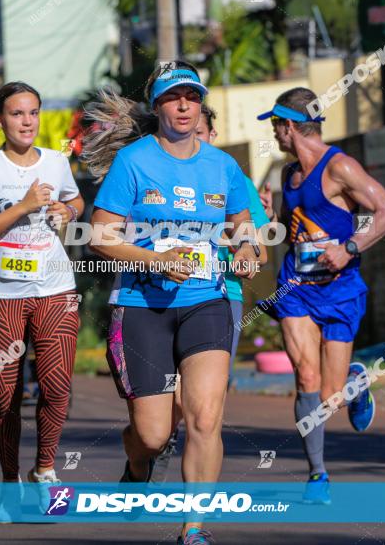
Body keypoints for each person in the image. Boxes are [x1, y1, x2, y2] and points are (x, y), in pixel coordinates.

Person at [85, 61, 263, 545]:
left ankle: (194, 528)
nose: (183, 105)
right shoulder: (134, 162)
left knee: (205, 416)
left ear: (200, 104)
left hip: (206, 300)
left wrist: (245, 250)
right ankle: (138, 465)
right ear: (158, 106)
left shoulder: (222, 165)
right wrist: (154, 259)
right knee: (153, 435)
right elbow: (99, 236)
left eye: (191, 96)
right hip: (143, 306)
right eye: (172, 97)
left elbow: (243, 227)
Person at [256, 88, 385, 504]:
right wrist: (271, 216)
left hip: (339, 292)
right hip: (297, 289)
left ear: (289, 126)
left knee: (330, 398)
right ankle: (317, 475)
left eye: (275, 125)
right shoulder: (289, 175)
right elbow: (294, 229)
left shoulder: (339, 166)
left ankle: (355, 383)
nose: (274, 133)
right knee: (305, 377)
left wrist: (350, 248)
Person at [0, 81, 84, 522]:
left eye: (32, 112)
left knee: (57, 385)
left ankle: (45, 466)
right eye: (16, 114)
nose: (26, 121)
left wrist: (66, 213)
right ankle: (9, 479)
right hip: (1, 294)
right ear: (0, 120)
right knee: (4, 393)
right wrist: (24, 205)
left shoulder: (55, 160)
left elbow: (76, 200)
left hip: (55, 289)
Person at [149, 104, 271, 483]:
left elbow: (260, 248)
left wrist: (245, 253)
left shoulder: (233, 178)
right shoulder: (158, 173)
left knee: (201, 404)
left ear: (212, 137)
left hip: (219, 295)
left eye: (200, 134)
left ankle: (197, 508)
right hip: (159, 295)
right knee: (165, 409)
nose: (193, 141)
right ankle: (158, 444)